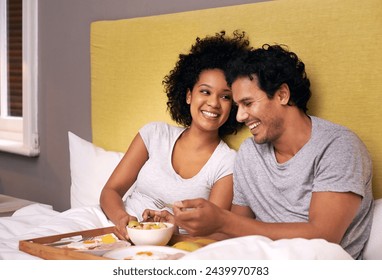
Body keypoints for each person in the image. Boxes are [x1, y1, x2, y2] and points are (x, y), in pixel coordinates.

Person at [149, 44, 374, 259]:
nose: (240, 117)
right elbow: (234, 231)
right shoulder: (250, 153)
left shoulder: (338, 146)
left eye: (248, 103)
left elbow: (324, 237)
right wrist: (174, 236)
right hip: (259, 260)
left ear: (282, 95)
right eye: (238, 106)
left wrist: (223, 221)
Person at [100, 31, 251, 240]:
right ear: (189, 95)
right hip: (112, 228)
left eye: (225, 97)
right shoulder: (154, 134)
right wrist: (122, 219)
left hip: (175, 243)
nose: (214, 103)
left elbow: (214, 230)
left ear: (233, 105)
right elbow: (110, 191)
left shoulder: (227, 163)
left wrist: (174, 228)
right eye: (205, 92)